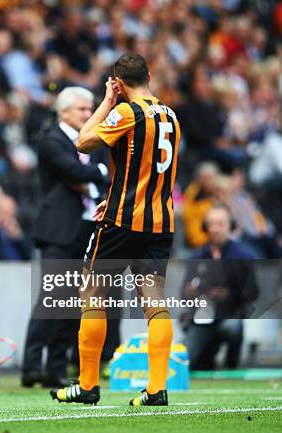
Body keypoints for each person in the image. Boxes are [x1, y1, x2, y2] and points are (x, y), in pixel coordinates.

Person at [50, 53, 181, 407]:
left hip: (121, 220)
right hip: (160, 222)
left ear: (119, 84)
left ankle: (87, 385)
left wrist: (107, 101)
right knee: (153, 302)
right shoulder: (170, 115)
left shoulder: (126, 112)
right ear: (149, 74)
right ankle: (156, 389)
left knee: (90, 291)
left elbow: (82, 142)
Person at [23, 86, 111, 388]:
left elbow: (98, 175)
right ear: (64, 111)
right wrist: (96, 172)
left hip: (86, 228)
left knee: (76, 301)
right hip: (58, 228)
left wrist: (94, 174)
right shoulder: (52, 140)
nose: (88, 114)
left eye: (90, 110)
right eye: (82, 110)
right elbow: (74, 171)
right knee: (52, 295)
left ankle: (56, 367)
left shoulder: (91, 143)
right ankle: (31, 366)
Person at [182, 204, 259, 370]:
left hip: (229, 315)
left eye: (220, 223)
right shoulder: (197, 256)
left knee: (233, 327)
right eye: (211, 224)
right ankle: (207, 358)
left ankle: (232, 363)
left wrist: (229, 295)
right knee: (187, 360)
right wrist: (190, 293)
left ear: (230, 226)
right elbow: (183, 291)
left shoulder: (243, 255)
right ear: (205, 227)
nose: (215, 229)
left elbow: (253, 292)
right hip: (202, 318)